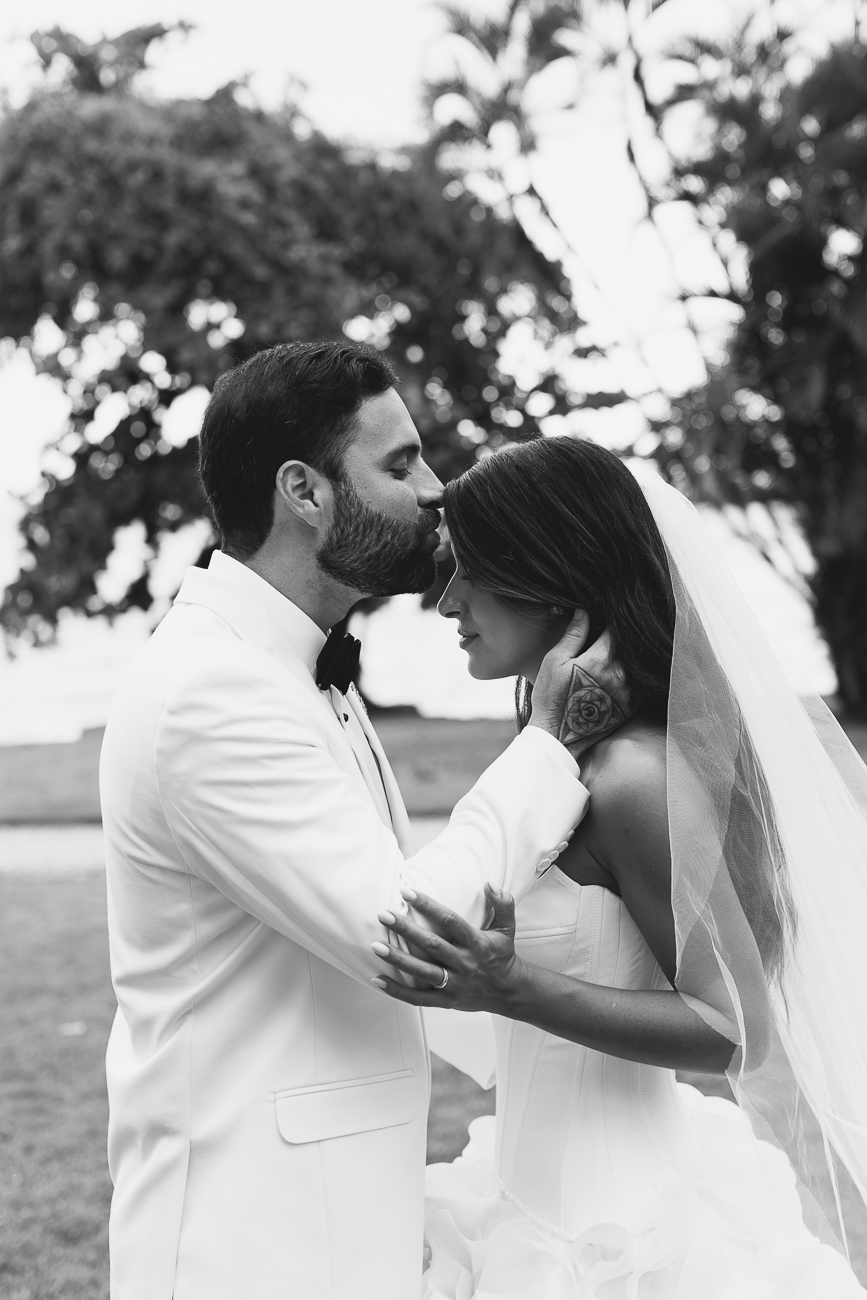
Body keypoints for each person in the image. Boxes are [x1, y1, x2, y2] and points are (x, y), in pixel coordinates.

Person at [99, 343, 630, 1300]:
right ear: (303, 491)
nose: (435, 491)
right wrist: (550, 744)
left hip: (335, 1226)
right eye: (399, 464)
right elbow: (406, 930)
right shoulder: (209, 694)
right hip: (250, 1244)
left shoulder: (298, 671)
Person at [374, 435, 867, 1297]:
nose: (445, 601)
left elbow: (733, 1029)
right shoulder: (566, 759)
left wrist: (511, 987)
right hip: (525, 1205)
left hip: (614, 1244)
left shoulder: (631, 778)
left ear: (552, 577)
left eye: (471, 572)